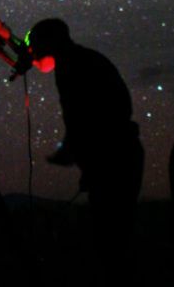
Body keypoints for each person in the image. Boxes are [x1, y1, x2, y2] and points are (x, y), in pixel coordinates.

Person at [24, 18, 144, 286]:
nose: (33, 51)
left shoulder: (71, 67)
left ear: (50, 41)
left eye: (36, 44)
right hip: (121, 153)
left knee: (112, 241)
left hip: (114, 157)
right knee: (118, 236)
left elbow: (83, 118)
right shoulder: (83, 59)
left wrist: (80, 155)